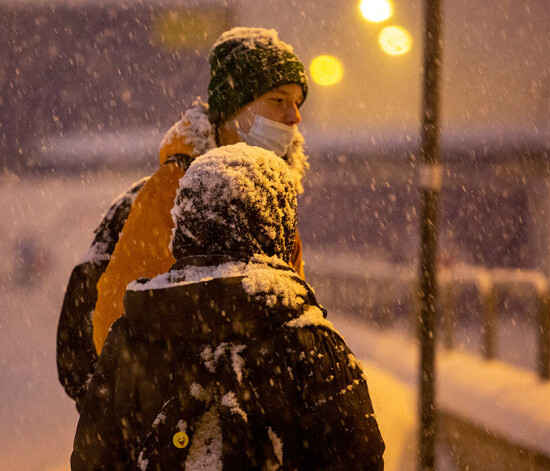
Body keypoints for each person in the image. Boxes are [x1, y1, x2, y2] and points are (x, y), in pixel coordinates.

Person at [71, 143, 385, 470]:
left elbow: (94, 459)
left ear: (185, 226)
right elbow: (359, 458)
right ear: (276, 228)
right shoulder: (312, 343)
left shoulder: (133, 335)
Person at [57, 26, 311, 409]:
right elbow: (118, 313)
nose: (294, 116)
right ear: (234, 108)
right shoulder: (175, 187)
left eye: (297, 103)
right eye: (278, 99)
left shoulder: (274, 195)